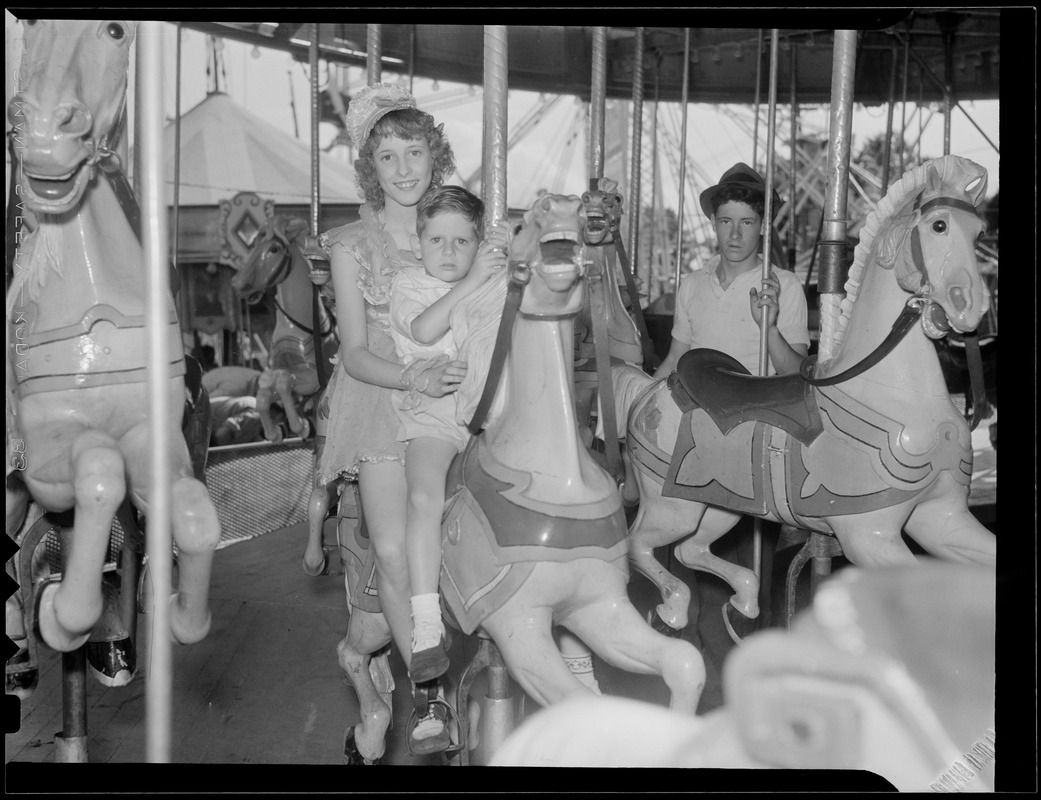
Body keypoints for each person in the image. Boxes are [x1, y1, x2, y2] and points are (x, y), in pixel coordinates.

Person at [317, 83, 463, 749]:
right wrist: (411, 375)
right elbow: (352, 351)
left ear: (435, 156)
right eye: (385, 157)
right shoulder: (352, 246)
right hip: (380, 401)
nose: (403, 169)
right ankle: (430, 694)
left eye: (413, 152)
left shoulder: (460, 234)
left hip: (455, 400)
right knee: (393, 547)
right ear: (370, 171)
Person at [653, 162, 810, 712]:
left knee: (748, 547)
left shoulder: (782, 285)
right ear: (713, 226)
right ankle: (684, 660)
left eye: (746, 221)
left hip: (751, 424)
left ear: (762, 226)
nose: (736, 233)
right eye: (726, 221)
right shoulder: (692, 285)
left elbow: (795, 370)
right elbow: (676, 358)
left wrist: (768, 326)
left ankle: (748, 676)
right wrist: (634, 402)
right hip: (694, 421)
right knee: (675, 543)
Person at [388, 186, 508, 684]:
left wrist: (513, 257)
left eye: (462, 241)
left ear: (477, 243)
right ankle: (425, 622)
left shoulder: (488, 276)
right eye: (437, 239)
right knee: (423, 497)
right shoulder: (410, 283)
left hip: (491, 413)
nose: (449, 252)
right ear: (419, 244)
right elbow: (423, 331)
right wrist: (476, 278)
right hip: (435, 414)